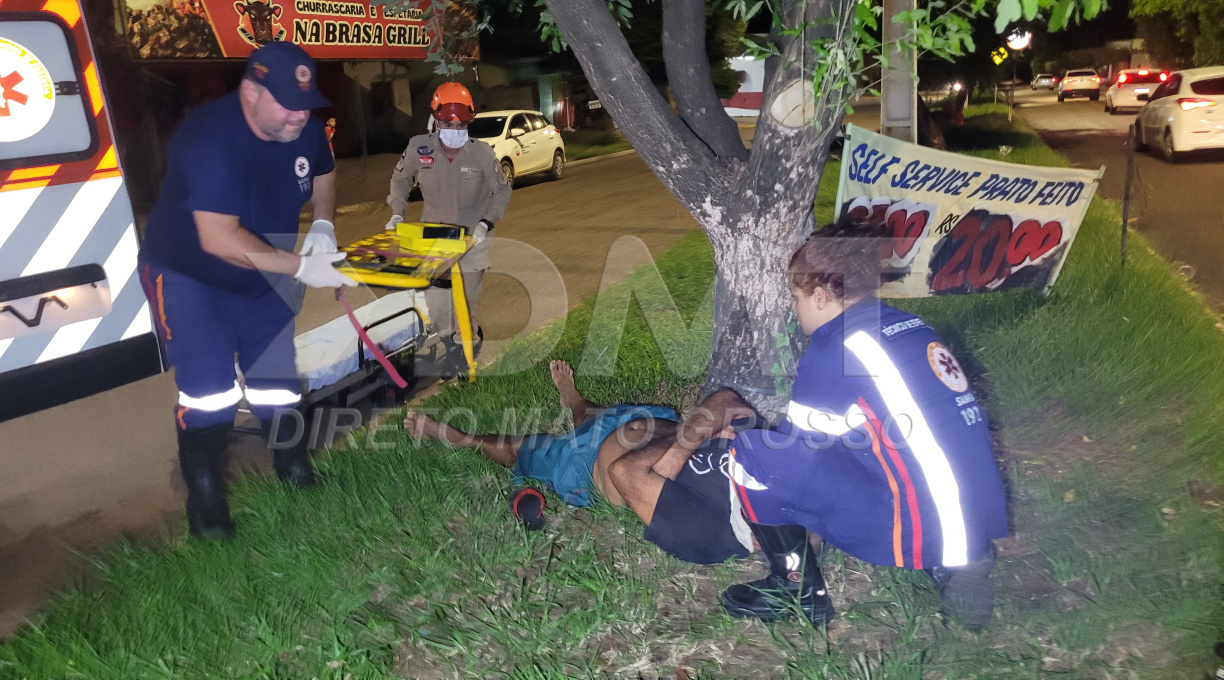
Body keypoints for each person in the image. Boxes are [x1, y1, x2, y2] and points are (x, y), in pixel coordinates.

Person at [721, 215, 1009, 631]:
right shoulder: (908, 325)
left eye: (795, 296)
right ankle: (954, 559)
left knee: (751, 454)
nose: (793, 307)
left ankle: (795, 587)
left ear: (820, 295)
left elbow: (798, 455)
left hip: (922, 515)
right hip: (974, 511)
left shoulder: (834, 349)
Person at [138, 42, 357, 542]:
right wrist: (302, 266)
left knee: (277, 384)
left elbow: (325, 169)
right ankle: (208, 511)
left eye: (306, 103)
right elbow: (218, 238)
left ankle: (297, 475)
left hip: (264, 274)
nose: (299, 115)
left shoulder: (303, 130)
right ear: (251, 90)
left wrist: (323, 223)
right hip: (190, 277)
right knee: (209, 393)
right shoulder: (209, 138)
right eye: (285, 102)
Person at [403, 361, 760, 565]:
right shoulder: (765, 467)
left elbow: (626, 473)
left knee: (520, 449)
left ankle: (457, 437)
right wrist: (684, 447)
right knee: (590, 413)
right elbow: (727, 398)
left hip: (583, 462)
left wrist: (690, 442)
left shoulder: (716, 535)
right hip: (645, 418)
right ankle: (572, 398)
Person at [387, 82, 511, 376]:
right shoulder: (420, 147)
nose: (454, 129)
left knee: (466, 301)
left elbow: (502, 191)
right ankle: (451, 342)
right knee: (440, 305)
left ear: (469, 122)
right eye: (448, 123)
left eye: (461, 124)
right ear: (435, 120)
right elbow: (400, 180)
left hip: (472, 238)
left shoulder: (481, 153)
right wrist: (396, 214)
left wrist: (487, 222)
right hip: (436, 240)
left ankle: (466, 353)